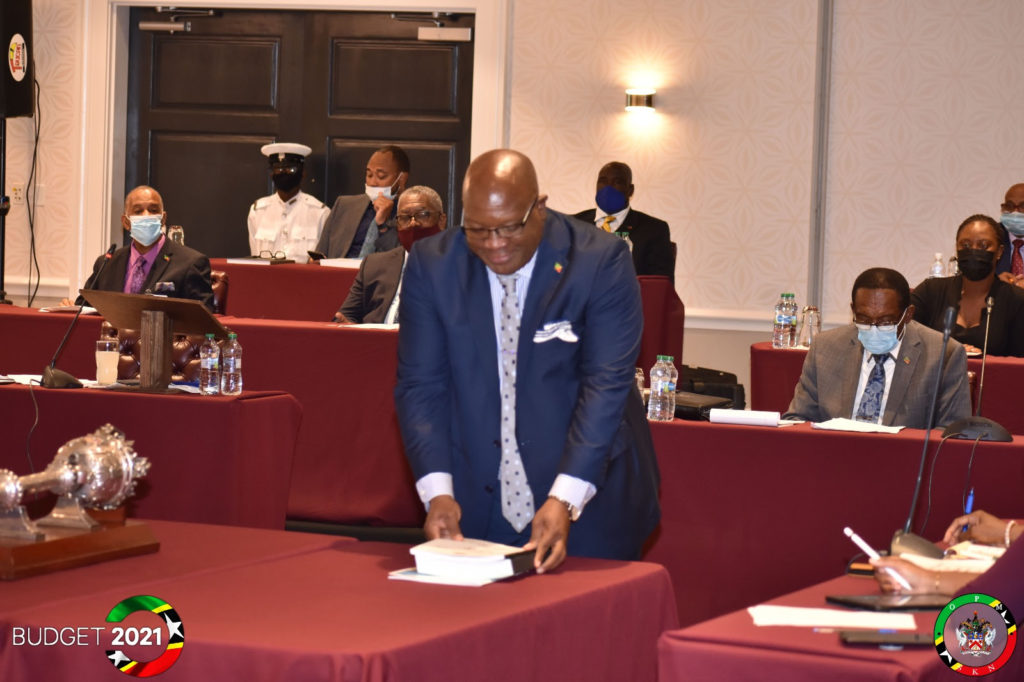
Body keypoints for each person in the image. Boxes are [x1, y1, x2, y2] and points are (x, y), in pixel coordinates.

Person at [394, 149, 660, 573]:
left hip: (592, 499)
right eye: (478, 230)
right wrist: (437, 492)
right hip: (474, 501)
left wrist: (564, 498)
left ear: (539, 207)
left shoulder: (600, 260)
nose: (494, 244)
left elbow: (605, 386)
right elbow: (420, 386)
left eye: (508, 228)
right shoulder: (433, 265)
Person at [784, 267, 971, 429]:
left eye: (886, 321)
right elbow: (797, 419)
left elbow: (952, 432)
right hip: (835, 453)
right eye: (864, 319)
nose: (873, 328)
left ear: (908, 315)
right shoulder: (825, 347)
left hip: (905, 456)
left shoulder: (943, 354)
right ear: (853, 310)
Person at [65, 186, 214, 311]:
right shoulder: (106, 264)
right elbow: (85, 307)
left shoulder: (190, 263)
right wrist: (69, 308)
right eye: (138, 211)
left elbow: (203, 318)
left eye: (153, 210)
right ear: (126, 222)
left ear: (163, 218)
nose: (146, 216)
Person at [912, 215, 1024, 357]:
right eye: (965, 245)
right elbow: (907, 343)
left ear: (999, 252)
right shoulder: (930, 291)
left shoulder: (1017, 300)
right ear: (956, 248)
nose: (973, 250)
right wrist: (949, 351)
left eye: (983, 245)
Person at [333, 185, 445, 324]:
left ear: (441, 220)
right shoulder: (374, 265)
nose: (413, 223)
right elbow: (345, 316)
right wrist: (347, 325)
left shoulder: (461, 267)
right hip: (377, 336)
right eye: (405, 218)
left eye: (422, 215)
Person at [573, 161, 674, 278]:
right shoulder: (574, 224)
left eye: (617, 182)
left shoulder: (654, 229)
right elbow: (559, 267)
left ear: (630, 190)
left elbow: (660, 283)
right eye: (603, 181)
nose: (608, 187)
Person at [314, 145, 409, 259]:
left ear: (401, 179)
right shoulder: (344, 205)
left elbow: (399, 259)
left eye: (381, 176)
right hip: (338, 268)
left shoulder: (410, 215)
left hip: (377, 270)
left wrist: (382, 224)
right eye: (369, 175)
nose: (372, 182)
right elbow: (320, 253)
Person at [247, 142, 329, 262]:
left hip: (302, 274)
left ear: (303, 173)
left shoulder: (320, 213)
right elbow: (255, 259)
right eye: (278, 169)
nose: (284, 173)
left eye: (291, 169)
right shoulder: (258, 211)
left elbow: (322, 261)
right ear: (271, 174)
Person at [995, 182, 1024, 285]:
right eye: (1009, 206)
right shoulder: (992, 236)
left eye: (1023, 206)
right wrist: (995, 283)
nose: (1015, 212)